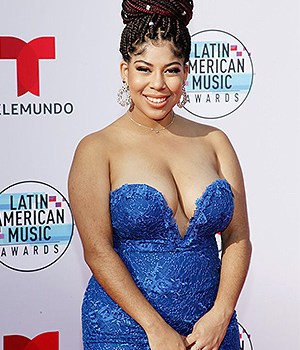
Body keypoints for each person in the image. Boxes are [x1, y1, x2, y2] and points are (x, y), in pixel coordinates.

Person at [68, 1, 252, 349]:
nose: (157, 84)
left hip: (210, 330)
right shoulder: (96, 149)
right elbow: (97, 251)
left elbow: (238, 238)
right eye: (143, 69)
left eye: (171, 70)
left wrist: (222, 313)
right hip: (126, 330)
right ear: (124, 71)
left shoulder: (215, 142)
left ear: (186, 71)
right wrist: (155, 328)